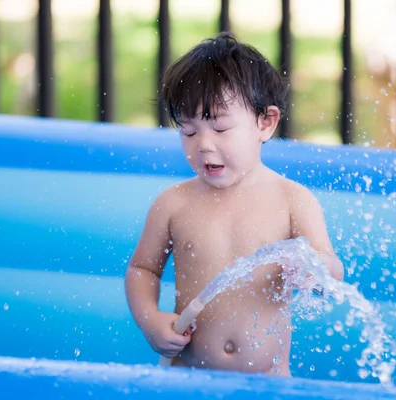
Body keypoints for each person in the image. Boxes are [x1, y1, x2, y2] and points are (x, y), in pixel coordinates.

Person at [124, 32, 344, 377]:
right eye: (189, 131)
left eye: (221, 128)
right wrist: (150, 321)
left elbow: (331, 267)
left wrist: (311, 269)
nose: (204, 145)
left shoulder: (292, 200)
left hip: (268, 384)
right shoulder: (173, 203)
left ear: (265, 123)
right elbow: (143, 269)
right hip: (190, 378)